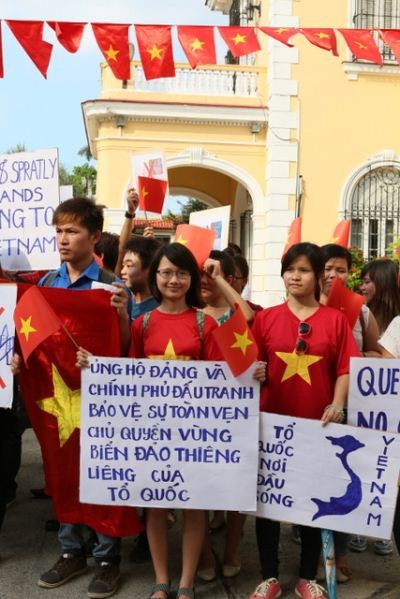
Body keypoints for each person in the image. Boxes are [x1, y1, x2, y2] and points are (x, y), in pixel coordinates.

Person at [11, 197, 138, 599]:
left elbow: (128, 349)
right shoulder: (45, 286)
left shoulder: (112, 288)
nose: (63, 240)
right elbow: (32, 339)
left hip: (101, 401)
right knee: (61, 468)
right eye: (59, 231)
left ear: (94, 236)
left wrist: (119, 316)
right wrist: (17, 360)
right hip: (58, 402)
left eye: (72, 231)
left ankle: (106, 556)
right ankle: (71, 550)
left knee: (101, 469)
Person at [248, 242, 359, 599]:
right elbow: (248, 365)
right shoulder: (265, 318)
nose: (295, 276)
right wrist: (256, 371)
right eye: (289, 269)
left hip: (318, 428)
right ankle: (269, 576)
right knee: (268, 503)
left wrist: (337, 404)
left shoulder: (335, 320)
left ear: (318, 277)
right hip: (272, 424)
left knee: (314, 501)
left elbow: (345, 368)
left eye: (304, 270)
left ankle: (307, 576)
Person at [347, 257, 400, 555]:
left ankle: (383, 527)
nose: (362, 285)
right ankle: (363, 525)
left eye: (368, 280)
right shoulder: (368, 316)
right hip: (372, 409)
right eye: (362, 280)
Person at [120, 236, 162, 319]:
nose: (122, 272)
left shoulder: (161, 310)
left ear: (149, 269)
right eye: (123, 265)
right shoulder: (123, 303)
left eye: (129, 266)